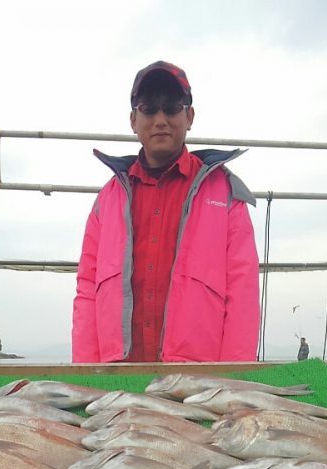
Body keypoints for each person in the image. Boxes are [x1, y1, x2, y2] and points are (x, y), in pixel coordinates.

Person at [72, 60, 260, 363]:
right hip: (117, 378)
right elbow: (86, 290)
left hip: (198, 383)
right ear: (133, 120)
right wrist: (85, 373)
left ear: (189, 116)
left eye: (172, 107)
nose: (160, 118)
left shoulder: (227, 195)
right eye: (148, 108)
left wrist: (232, 378)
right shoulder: (106, 199)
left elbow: (244, 292)